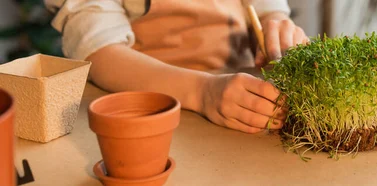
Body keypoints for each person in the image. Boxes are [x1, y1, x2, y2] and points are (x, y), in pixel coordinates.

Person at [45, 0, 308, 133]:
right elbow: (99, 52)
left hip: (244, 97)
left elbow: (265, 11)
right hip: (153, 111)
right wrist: (203, 92)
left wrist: (275, 28)